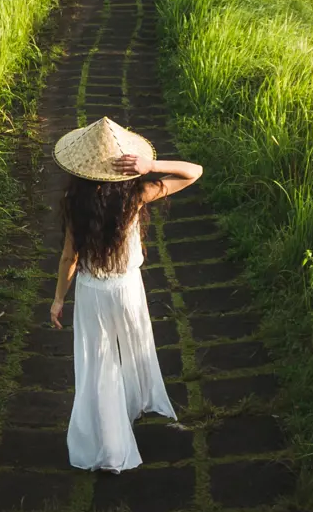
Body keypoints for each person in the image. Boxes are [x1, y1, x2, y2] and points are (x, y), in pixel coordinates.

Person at [49, 116, 203, 471]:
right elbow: (193, 172)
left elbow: (69, 258)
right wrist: (151, 166)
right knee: (134, 350)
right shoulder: (135, 196)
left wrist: (58, 299)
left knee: (98, 364)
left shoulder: (75, 203)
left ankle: (109, 445)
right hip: (127, 289)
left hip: (92, 293)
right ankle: (131, 410)